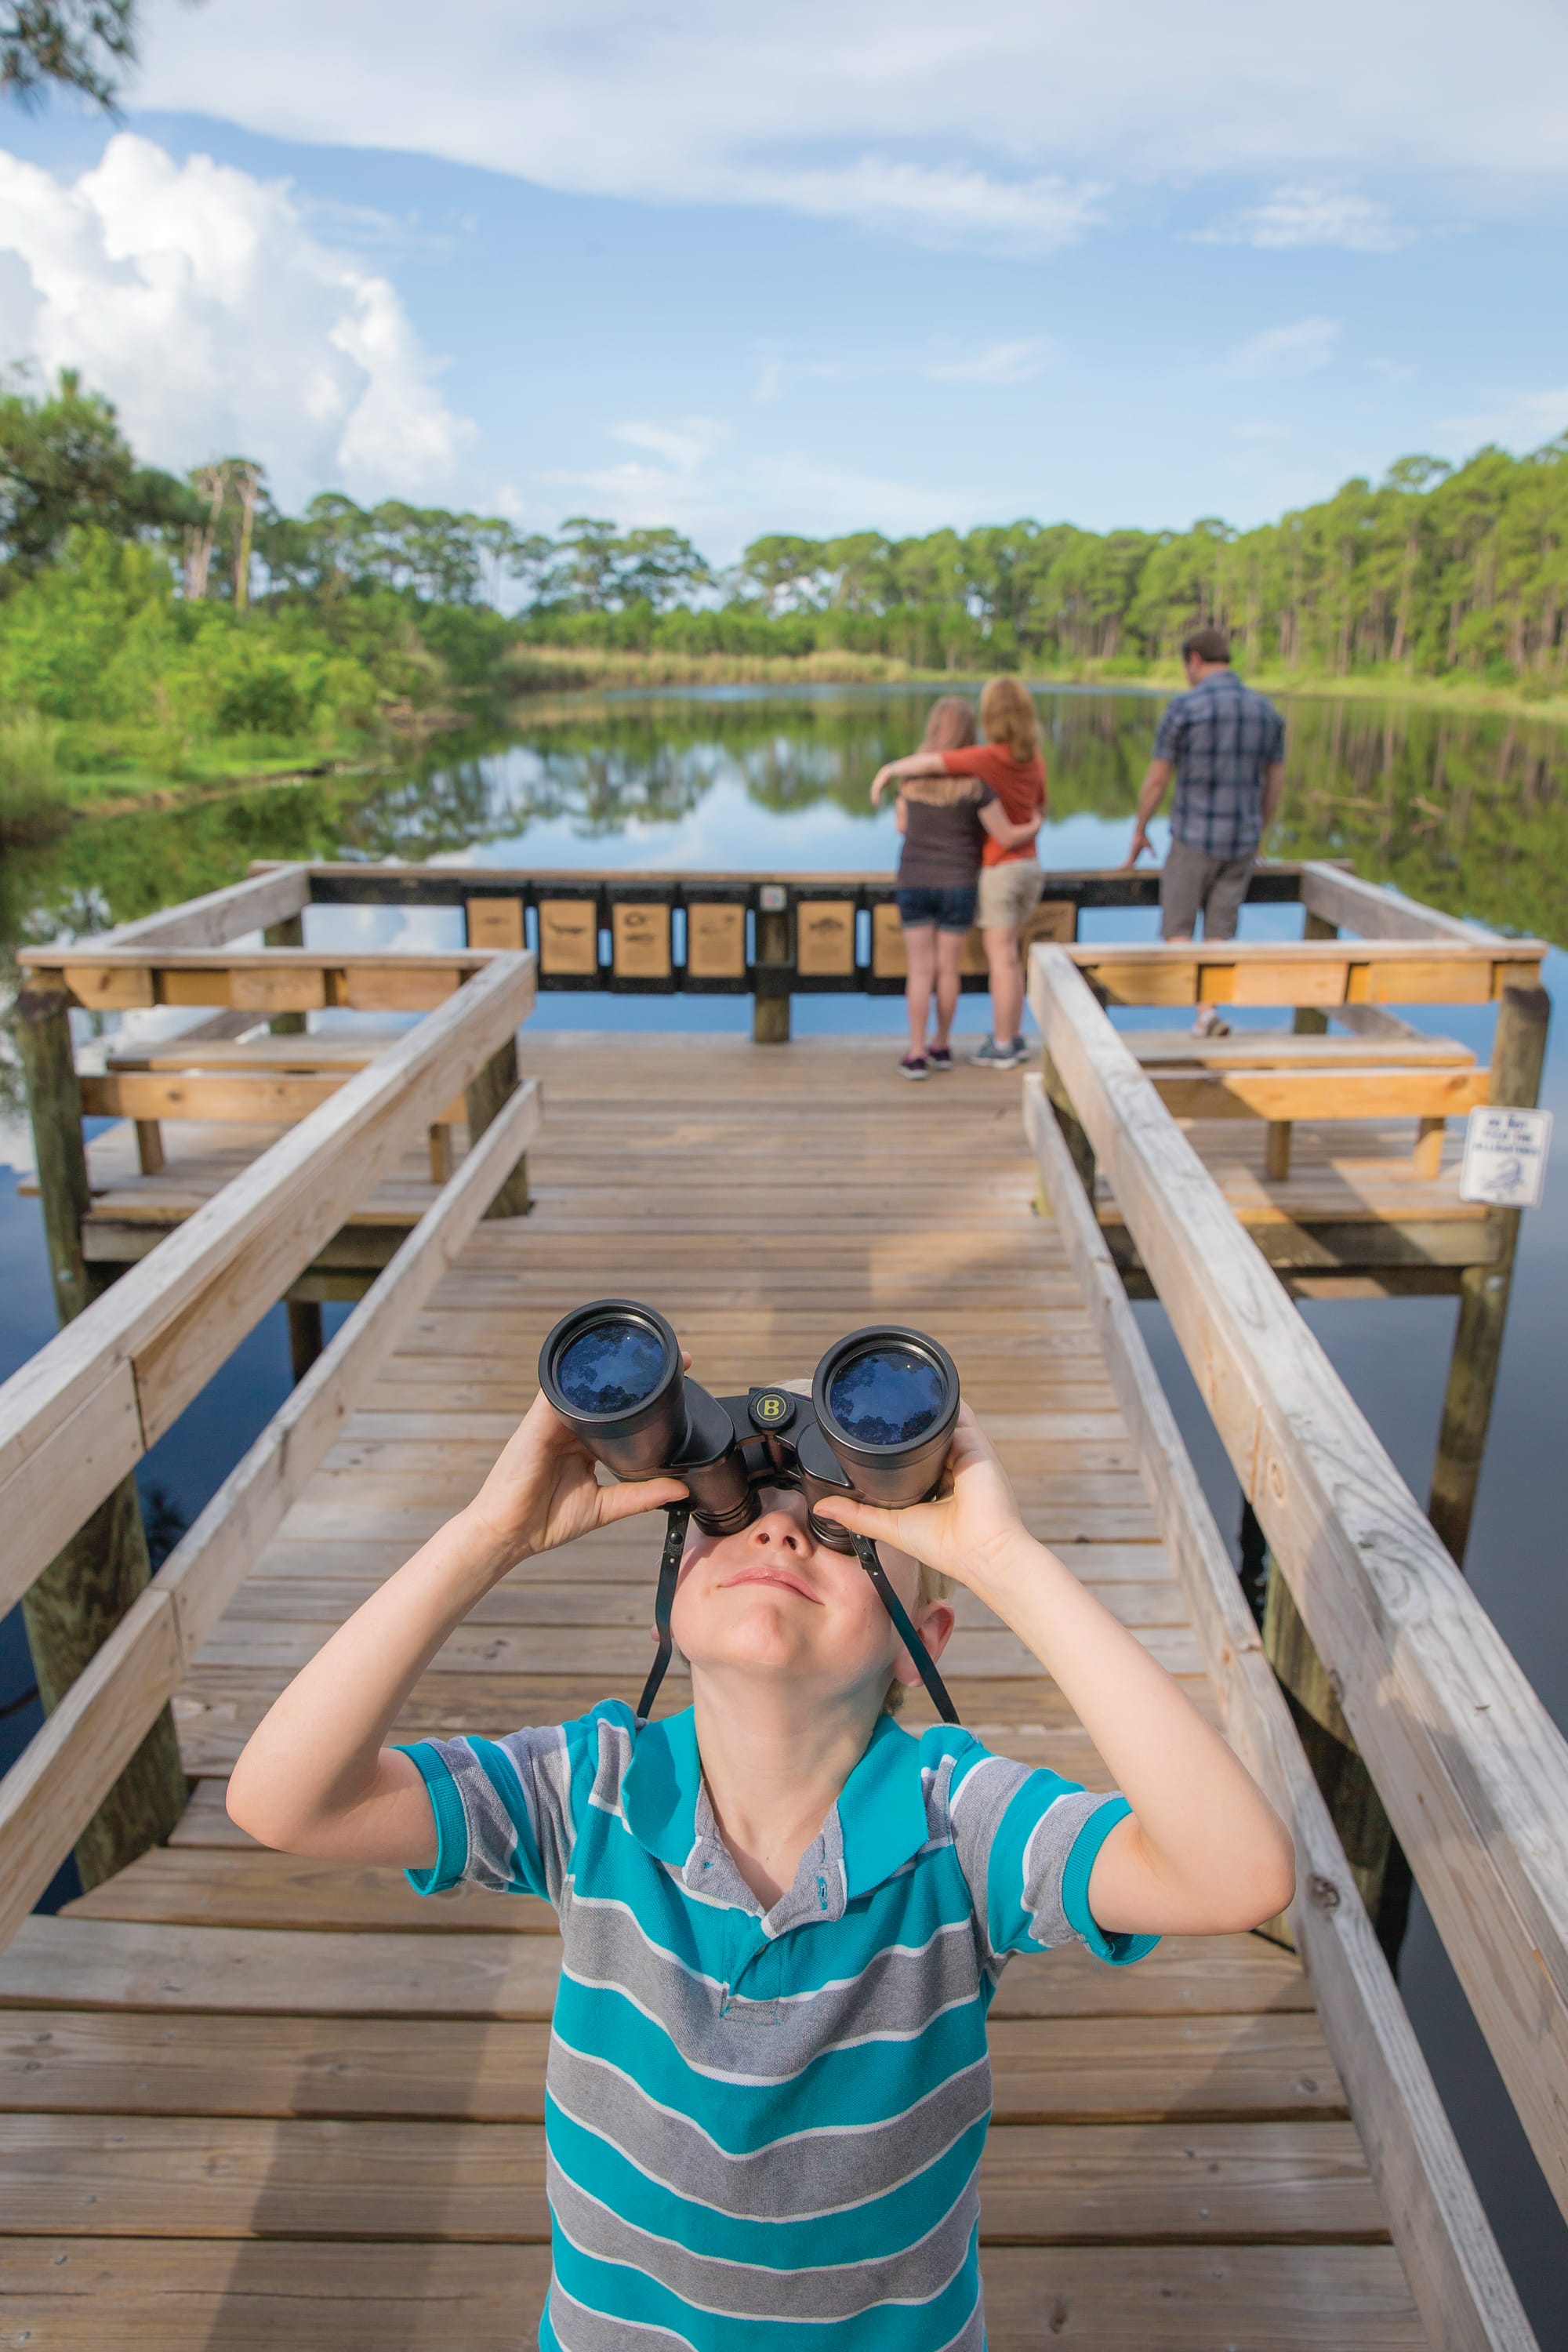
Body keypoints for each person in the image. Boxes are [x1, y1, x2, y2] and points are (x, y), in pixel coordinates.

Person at [227, 1367, 1295, 2350]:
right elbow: (286, 1801)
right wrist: (486, 1535)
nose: (782, 1540)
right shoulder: (588, 1789)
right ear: (670, 1582)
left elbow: (1233, 1875)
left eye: (842, 1533)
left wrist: (1006, 1559)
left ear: (926, 1636)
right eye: (726, 1516)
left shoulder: (960, 1825)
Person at [873, 677, 1047, 1069]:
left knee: (919, 970)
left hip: (913, 881)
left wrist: (891, 776)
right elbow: (999, 830)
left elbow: (902, 826)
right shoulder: (977, 784)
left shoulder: (910, 782)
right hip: (958, 884)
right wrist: (1033, 825)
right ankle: (942, 1043)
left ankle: (916, 1051)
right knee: (948, 969)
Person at [1121, 626, 1287, 1036]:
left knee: (1177, 929)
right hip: (1241, 843)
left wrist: (1140, 830)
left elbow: (1158, 779)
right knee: (1219, 933)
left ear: (1194, 659)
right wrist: (1260, 830)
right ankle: (1207, 1013)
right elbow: (1275, 783)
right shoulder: (1266, 712)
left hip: (1193, 837)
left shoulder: (1184, 709)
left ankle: (1205, 1013)